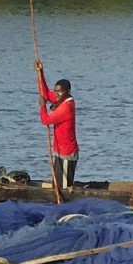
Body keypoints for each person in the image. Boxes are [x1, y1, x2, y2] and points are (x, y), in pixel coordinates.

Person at [36, 60, 78, 189]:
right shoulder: (62, 100)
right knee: (57, 185)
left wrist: (43, 106)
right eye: (56, 91)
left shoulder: (66, 107)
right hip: (60, 150)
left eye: (60, 91)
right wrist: (40, 73)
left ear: (68, 91)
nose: (57, 94)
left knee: (63, 188)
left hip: (67, 153)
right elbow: (45, 93)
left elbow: (45, 120)